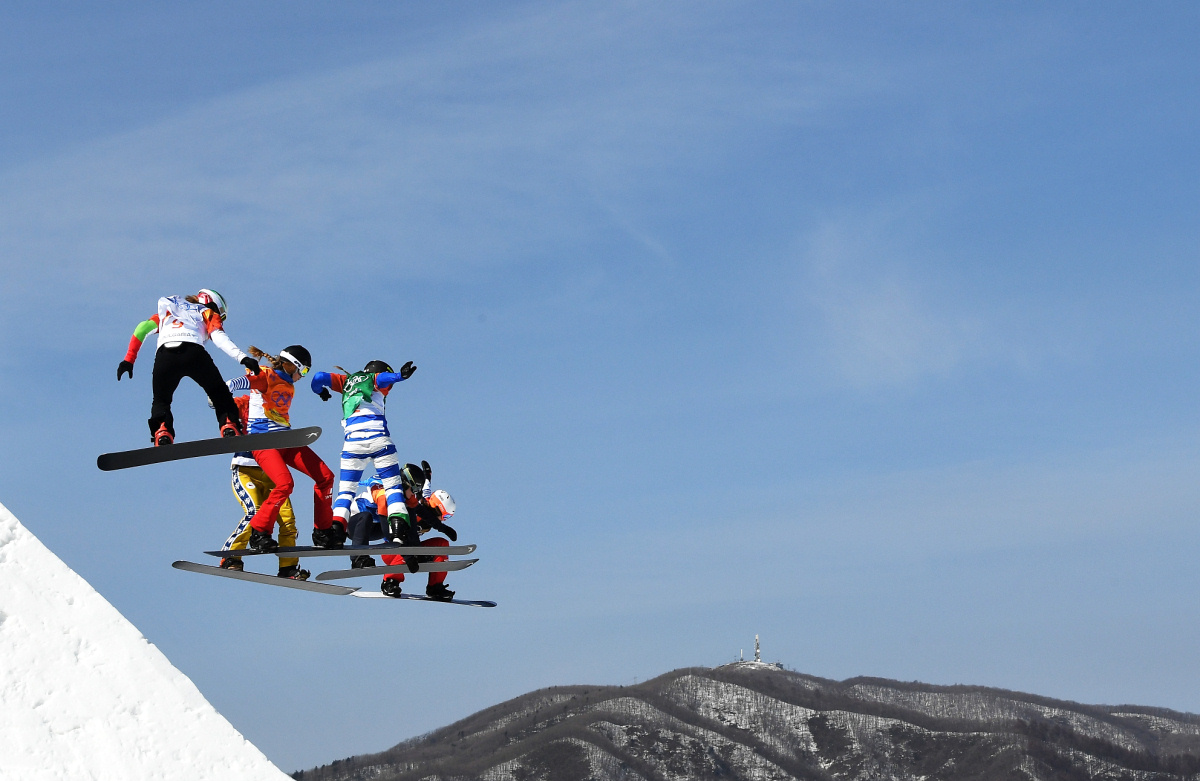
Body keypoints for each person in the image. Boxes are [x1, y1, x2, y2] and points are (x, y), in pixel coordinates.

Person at [229, 345, 342, 554]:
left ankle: (323, 531)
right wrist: (225, 390)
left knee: (326, 476)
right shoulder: (266, 376)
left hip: (286, 439)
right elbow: (242, 382)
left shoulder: (288, 384)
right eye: (304, 370)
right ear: (292, 366)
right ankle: (259, 532)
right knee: (285, 483)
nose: (303, 376)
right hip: (263, 442)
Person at [117, 289, 261, 446]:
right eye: (222, 314)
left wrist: (129, 360)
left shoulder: (168, 311)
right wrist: (243, 358)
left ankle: (162, 431)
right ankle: (228, 424)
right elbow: (219, 338)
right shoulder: (207, 313)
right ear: (211, 303)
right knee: (219, 393)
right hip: (194, 353)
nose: (221, 318)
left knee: (161, 400)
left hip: (165, 356)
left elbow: (142, 329)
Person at [310, 359, 417, 550]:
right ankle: (398, 532)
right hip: (379, 441)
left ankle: (336, 533)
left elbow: (318, 377)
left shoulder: (345, 382)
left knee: (346, 492)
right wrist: (400, 376)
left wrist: (321, 392)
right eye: (389, 388)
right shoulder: (373, 378)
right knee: (392, 488)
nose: (388, 390)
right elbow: (382, 379)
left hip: (352, 446)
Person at [217, 394, 307, 579]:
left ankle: (288, 567)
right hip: (246, 469)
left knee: (288, 522)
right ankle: (231, 556)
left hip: (273, 475)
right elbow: (229, 404)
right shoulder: (249, 401)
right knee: (255, 512)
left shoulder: (278, 406)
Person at [378, 462, 460, 600]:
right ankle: (390, 581)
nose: (443, 520)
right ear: (437, 509)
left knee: (442, 545)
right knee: (408, 543)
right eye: (445, 516)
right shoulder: (415, 507)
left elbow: (426, 487)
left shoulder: (426, 501)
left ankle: (435, 587)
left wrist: (427, 474)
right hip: (393, 550)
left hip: (413, 550)